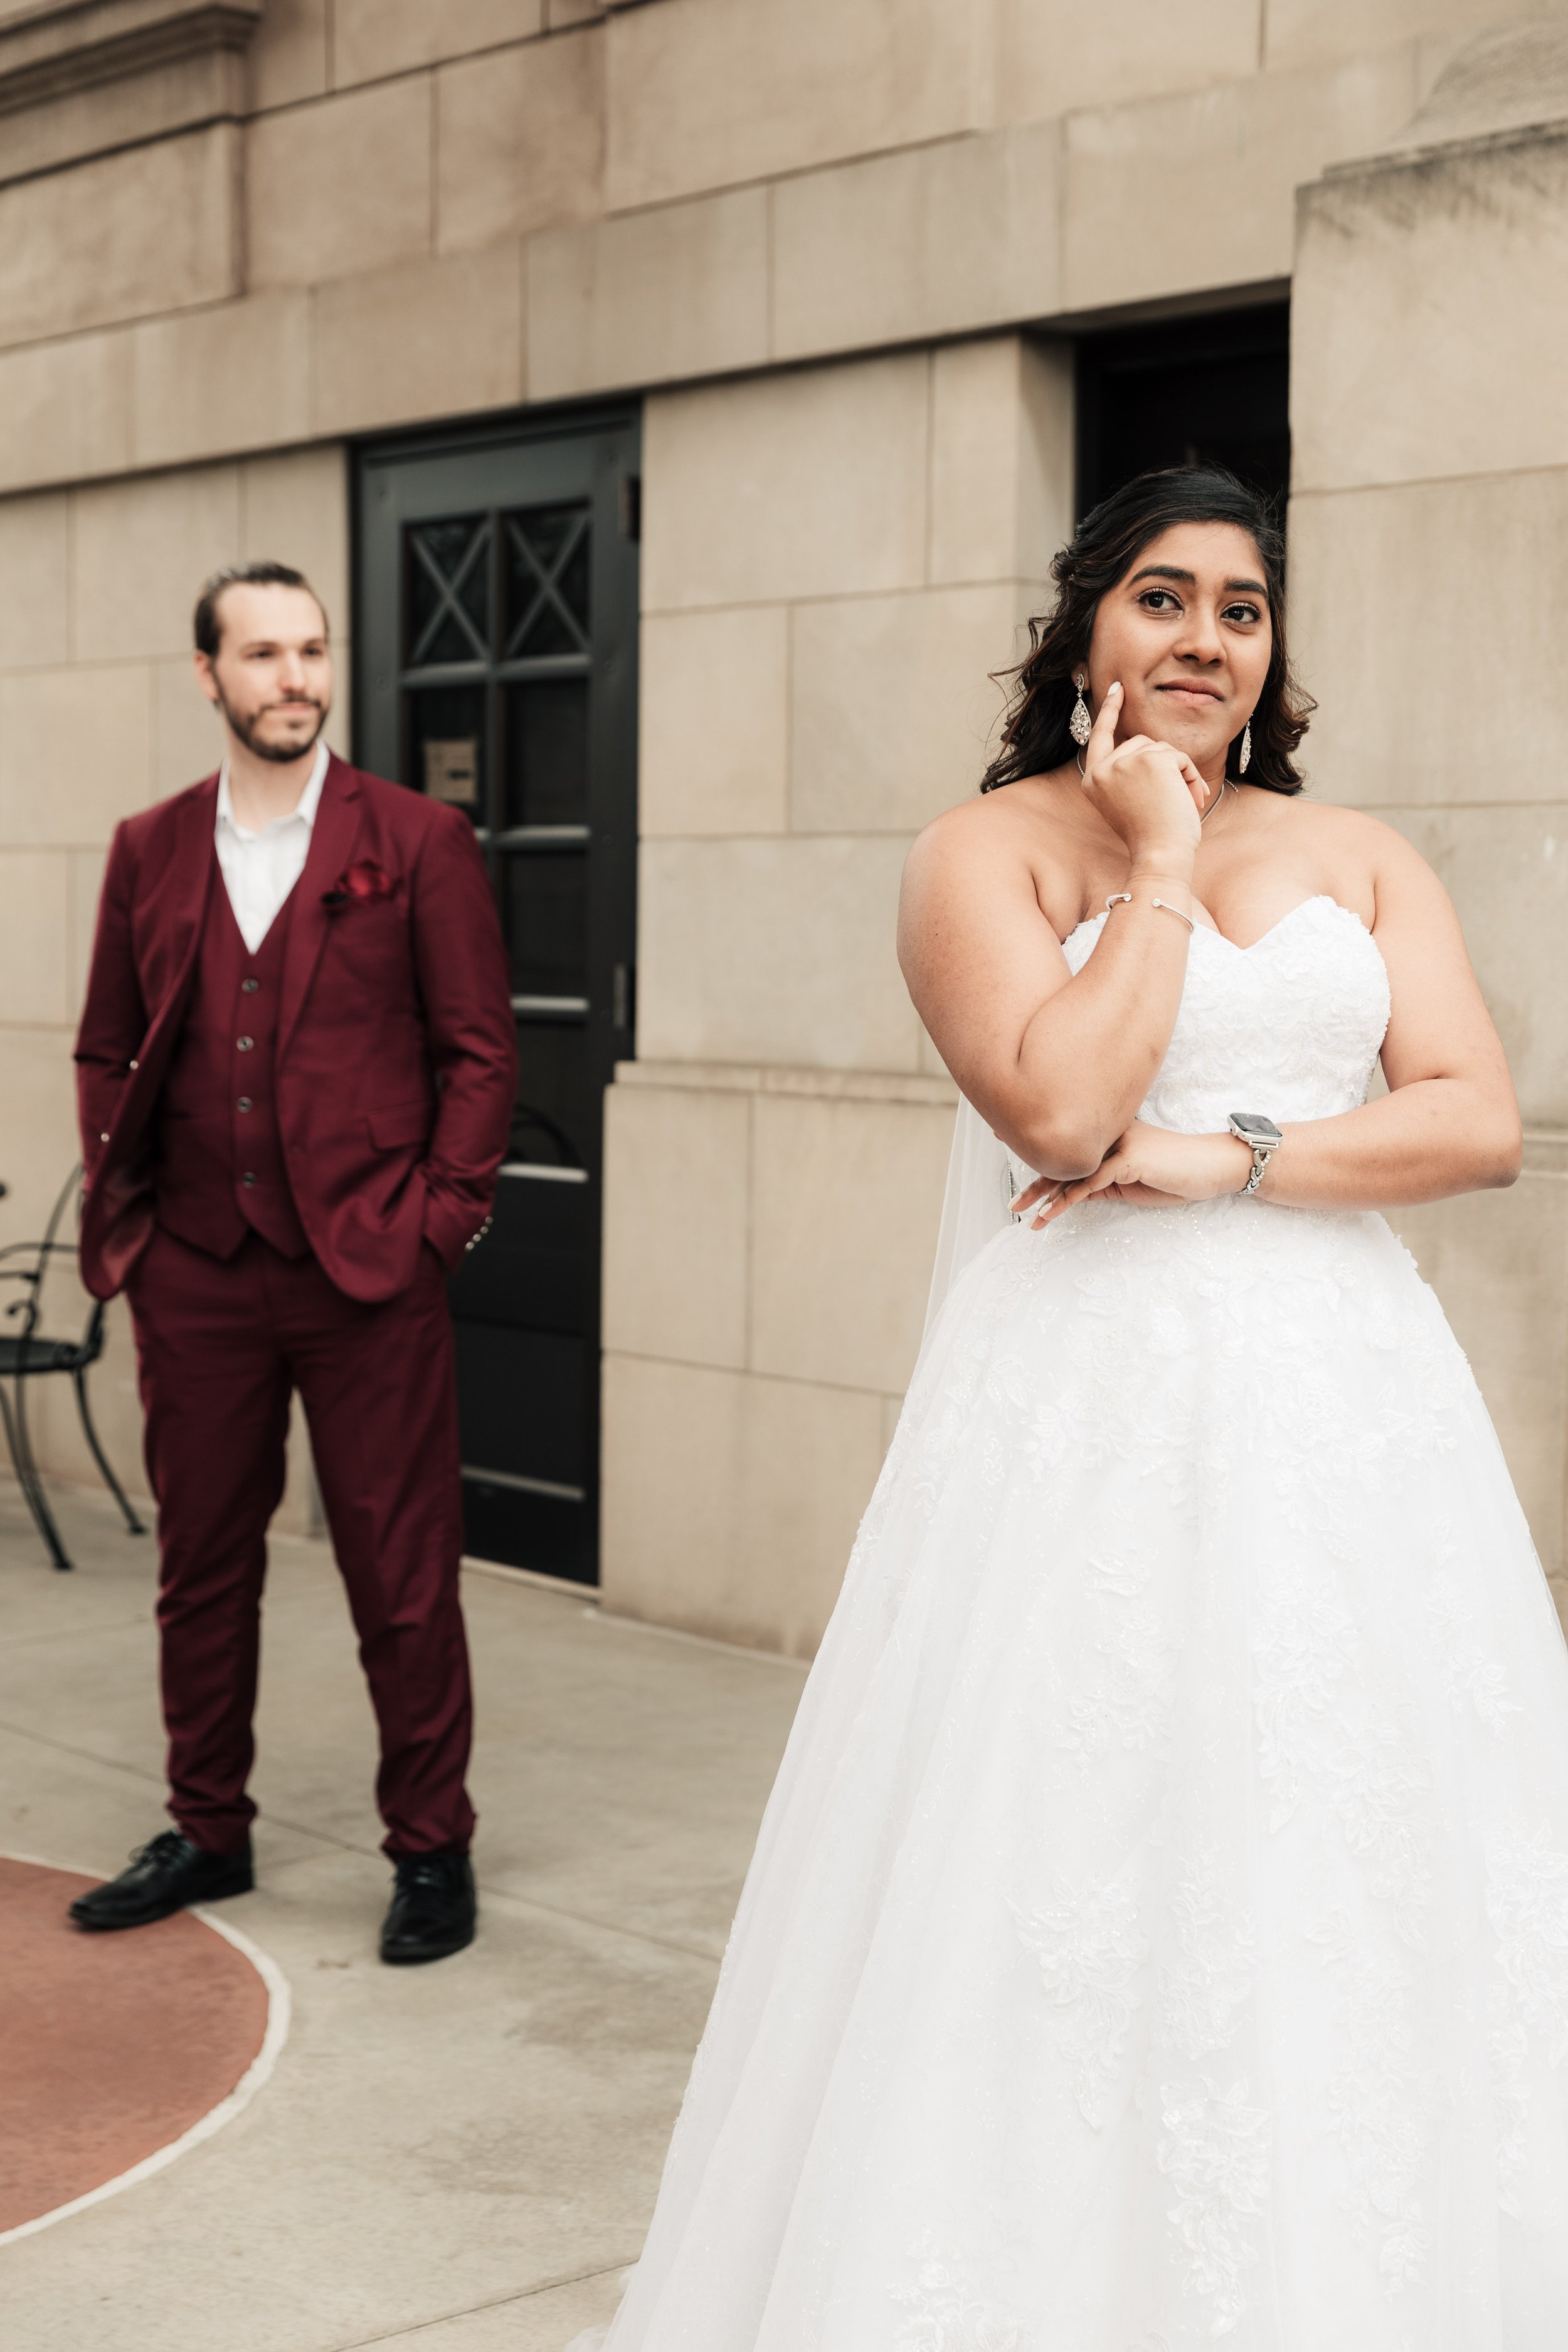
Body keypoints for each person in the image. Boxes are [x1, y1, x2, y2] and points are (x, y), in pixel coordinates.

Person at [572, 468, 1568, 2348]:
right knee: (1076, 1830)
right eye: (1161, 598)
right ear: (1083, 626)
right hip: (1088, 1413)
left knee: (1351, 1819)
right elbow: (1058, 1111)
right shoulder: (984, 854)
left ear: (1271, 650)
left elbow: (1474, 1119)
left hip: (1346, 1407)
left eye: (1240, 609)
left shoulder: (1358, 854)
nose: (1203, 637)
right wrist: (1160, 868)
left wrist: (1231, 1159)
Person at [68, 561, 515, 1965]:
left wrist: (441, 1219)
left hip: (370, 1270)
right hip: (195, 1269)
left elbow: (480, 1051)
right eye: (263, 654)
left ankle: (430, 1846)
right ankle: (208, 1826)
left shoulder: (418, 838)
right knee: (200, 1566)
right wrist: (139, 1230)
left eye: (312, 650)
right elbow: (106, 1044)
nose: (295, 678)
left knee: (402, 1572)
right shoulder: (148, 846)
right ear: (208, 674)